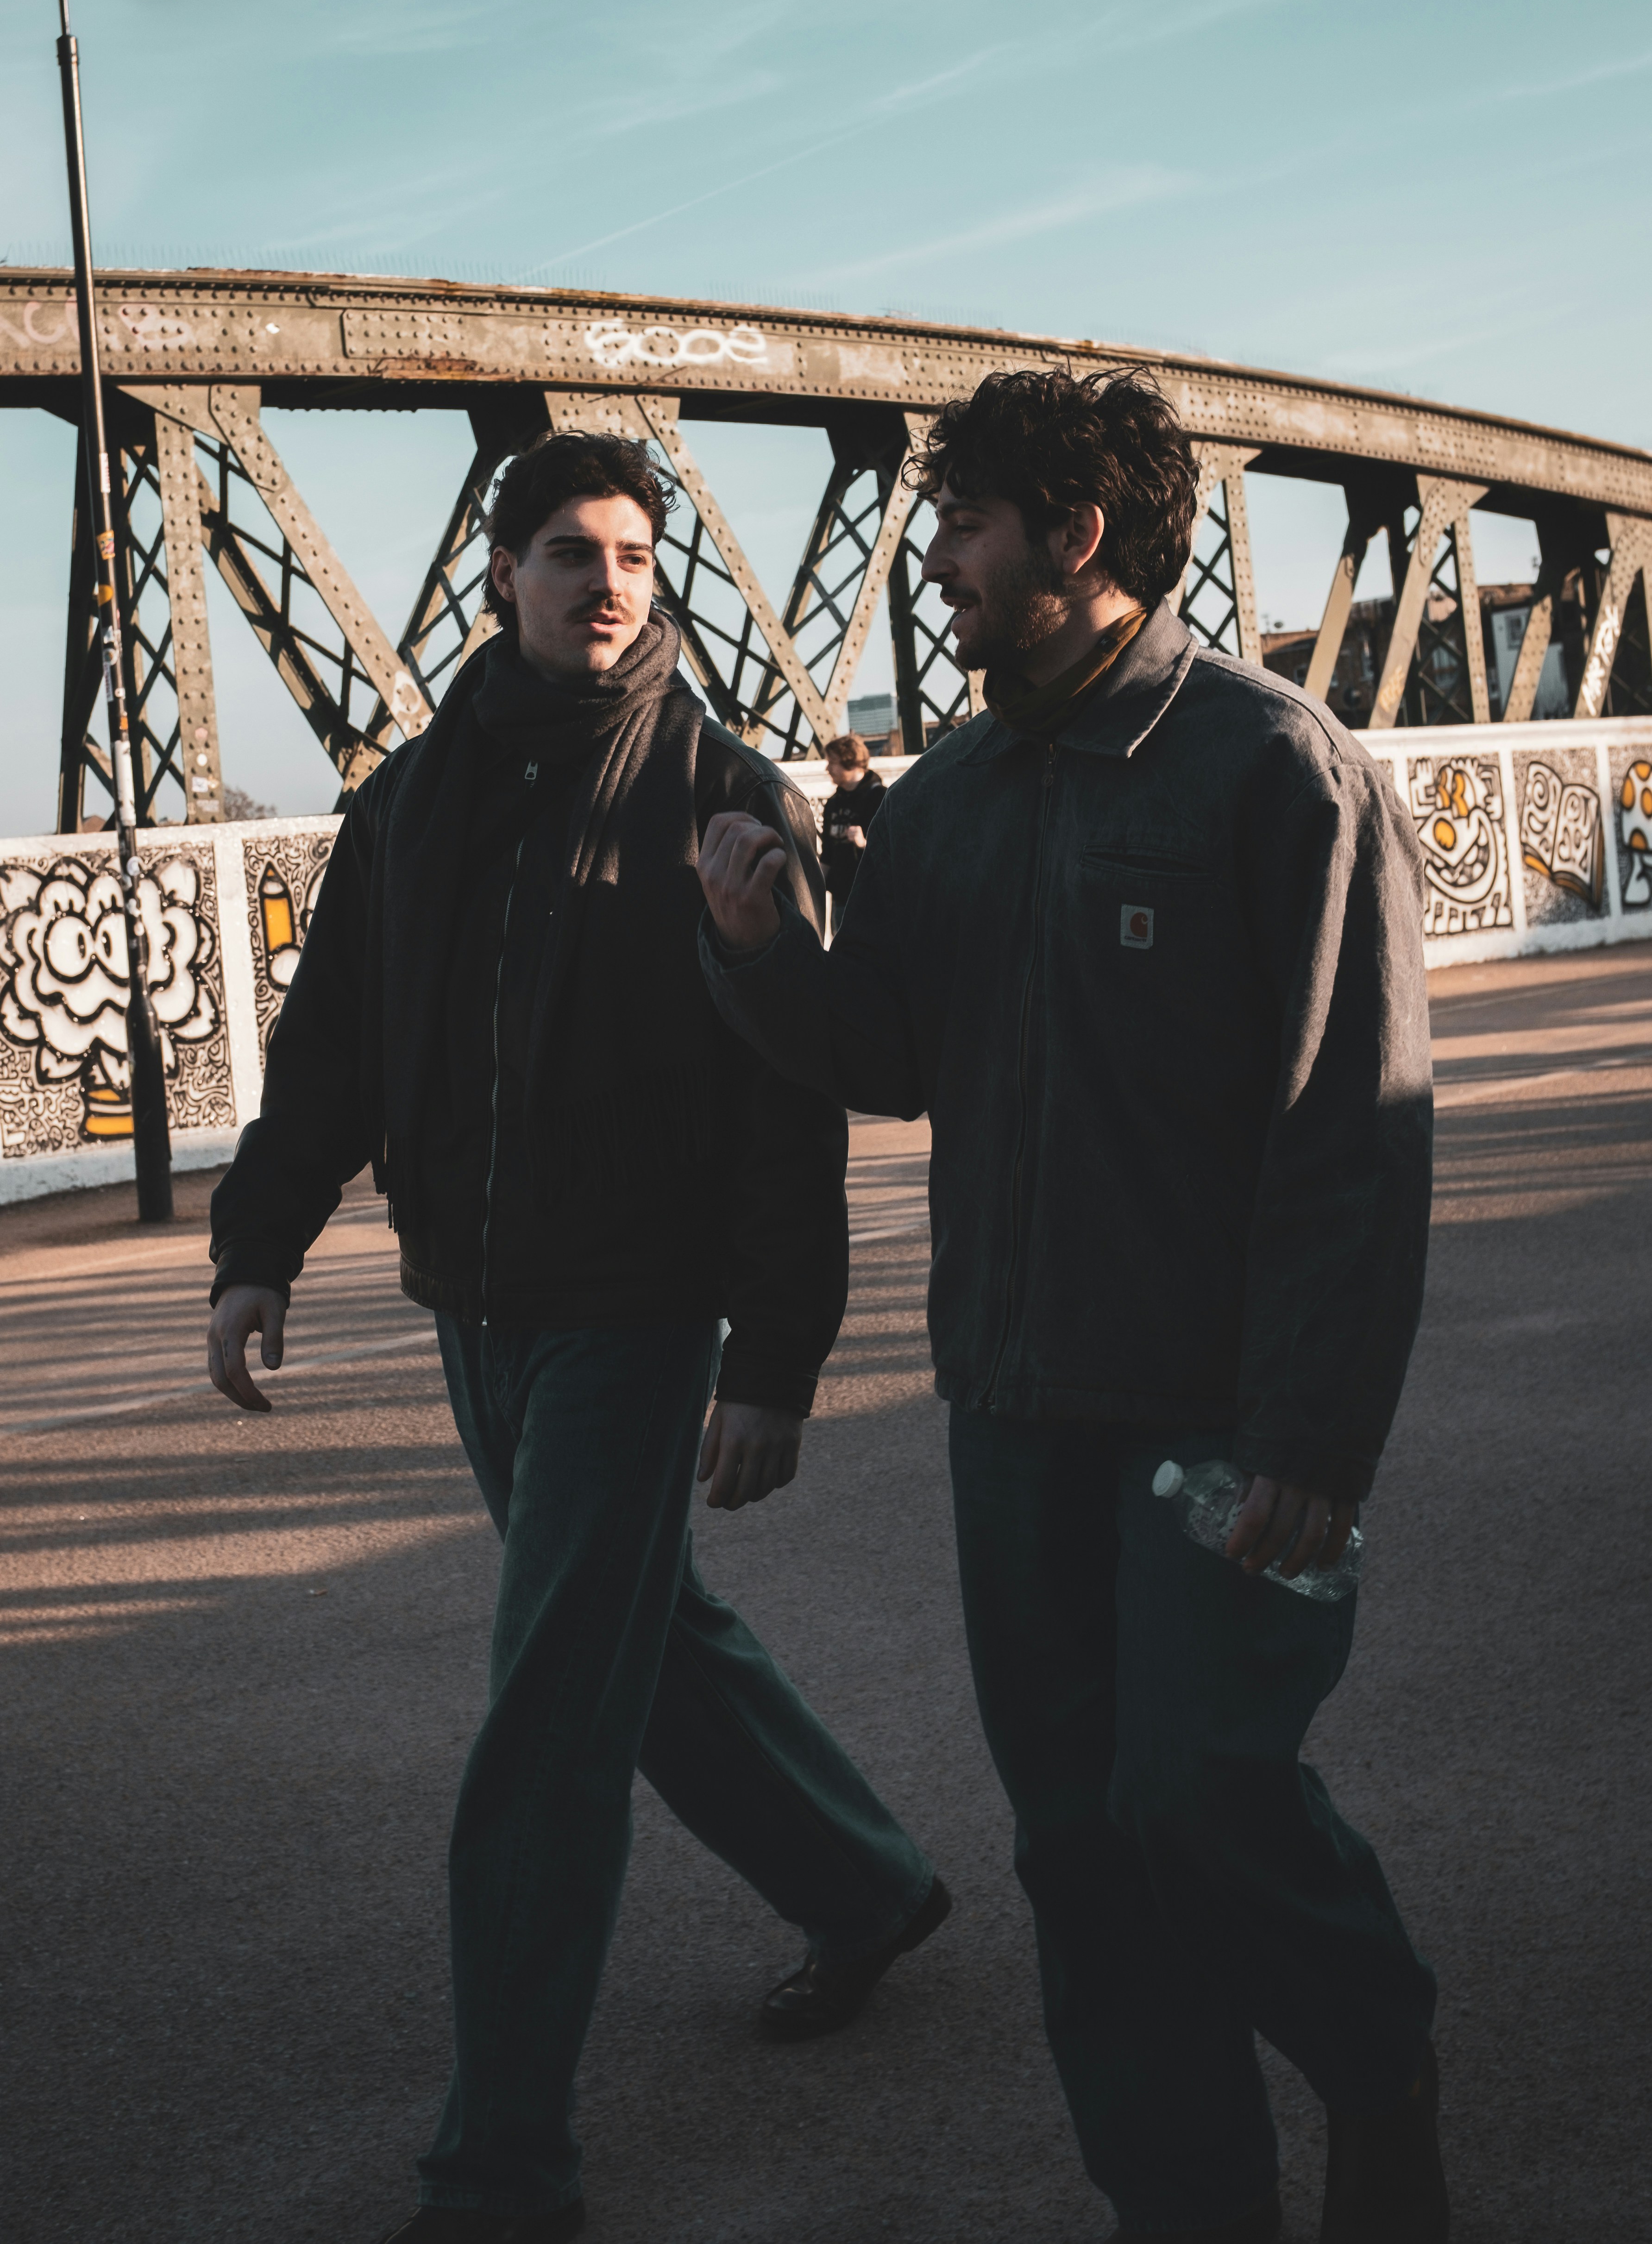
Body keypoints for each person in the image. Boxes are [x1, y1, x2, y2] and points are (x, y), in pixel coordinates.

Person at [697, 368, 1447, 2244]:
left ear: (1076, 537)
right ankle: (1186, 2201)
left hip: (1217, 1417)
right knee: (1080, 1844)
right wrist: (764, 944)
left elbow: (1353, 1133)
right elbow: (886, 1053)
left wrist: (1312, 1436)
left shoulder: (1279, 770)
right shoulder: (948, 796)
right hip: (1015, 1413)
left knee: (1199, 1784)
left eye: (961, 528)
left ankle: (1378, 2064)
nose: (930, 567)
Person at [204, 431, 948, 2244]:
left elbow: (789, 1102)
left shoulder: (718, 786)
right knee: (649, 1639)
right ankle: (862, 1884)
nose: (607, 580)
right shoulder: (410, 800)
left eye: (633, 553)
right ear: (500, 578)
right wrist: (258, 1246)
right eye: (567, 550)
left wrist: (773, 1353)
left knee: (547, 1709)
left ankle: (499, 2169)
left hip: (636, 1312)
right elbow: (333, 1049)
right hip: (474, 1300)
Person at [820, 731, 886, 918]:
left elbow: (895, 850)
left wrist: (864, 843)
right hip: (841, 898)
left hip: (872, 898)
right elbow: (828, 854)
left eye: (832, 762)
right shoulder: (833, 803)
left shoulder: (881, 798)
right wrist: (815, 889)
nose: (827, 768)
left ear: (850, 762)